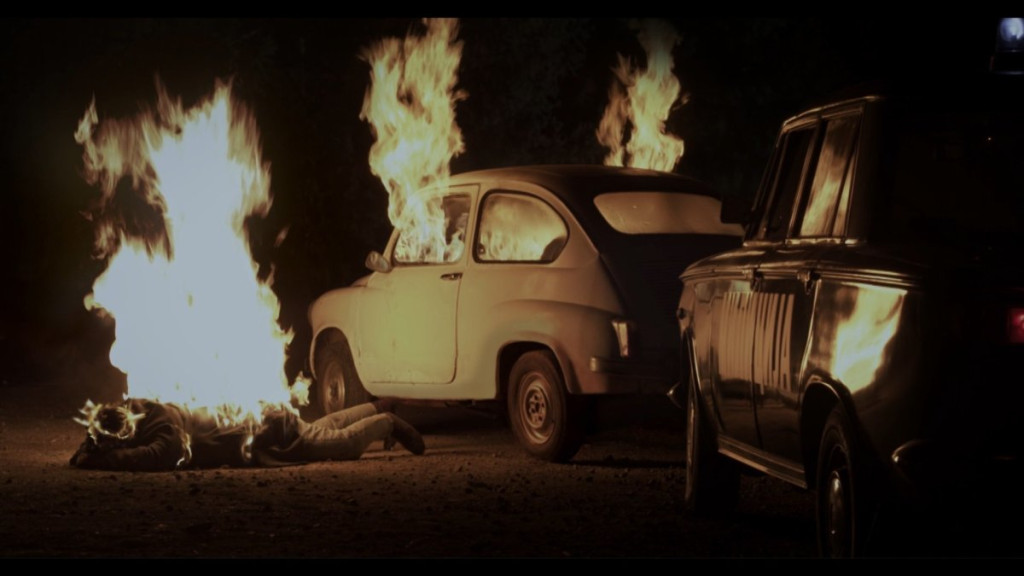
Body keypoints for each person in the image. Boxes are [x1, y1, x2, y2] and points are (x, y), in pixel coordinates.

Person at [69, 397, 424, 471]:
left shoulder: (164, 428)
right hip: (269, 421)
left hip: (271, 433)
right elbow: (100, 433)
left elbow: (153, 456)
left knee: (343, 445)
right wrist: (89, 448)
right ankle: (373, 407)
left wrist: (96, 461)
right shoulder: (136, 409)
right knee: (322, 429)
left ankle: (387, 421)